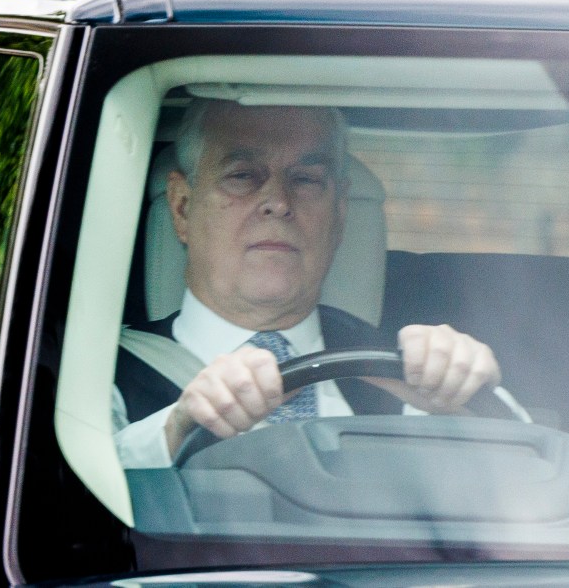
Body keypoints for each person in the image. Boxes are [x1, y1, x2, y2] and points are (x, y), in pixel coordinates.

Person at [113, 99, 500, 468]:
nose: (278, 201)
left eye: (306, 179)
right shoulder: (102, 375)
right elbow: (66, 501)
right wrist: (175, 431)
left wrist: (468, 400)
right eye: (243, 175)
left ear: (340, 212)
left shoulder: (403, 373)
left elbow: (529, 489)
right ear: (181, 207)